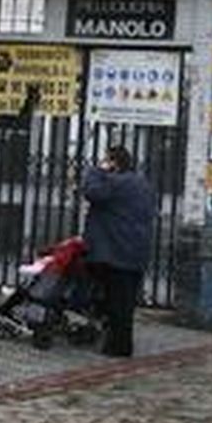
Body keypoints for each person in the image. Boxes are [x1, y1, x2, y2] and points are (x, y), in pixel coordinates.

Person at [81, 144, 156, 358]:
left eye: (107, 160)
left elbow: (91, 192)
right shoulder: (142, 183)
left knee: (115, 302)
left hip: (116, 253)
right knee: (126, 303)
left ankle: (117, 347)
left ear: (113, 163)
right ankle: (122, 344)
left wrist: (96, 169)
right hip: (136, 252)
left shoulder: (116, 183)